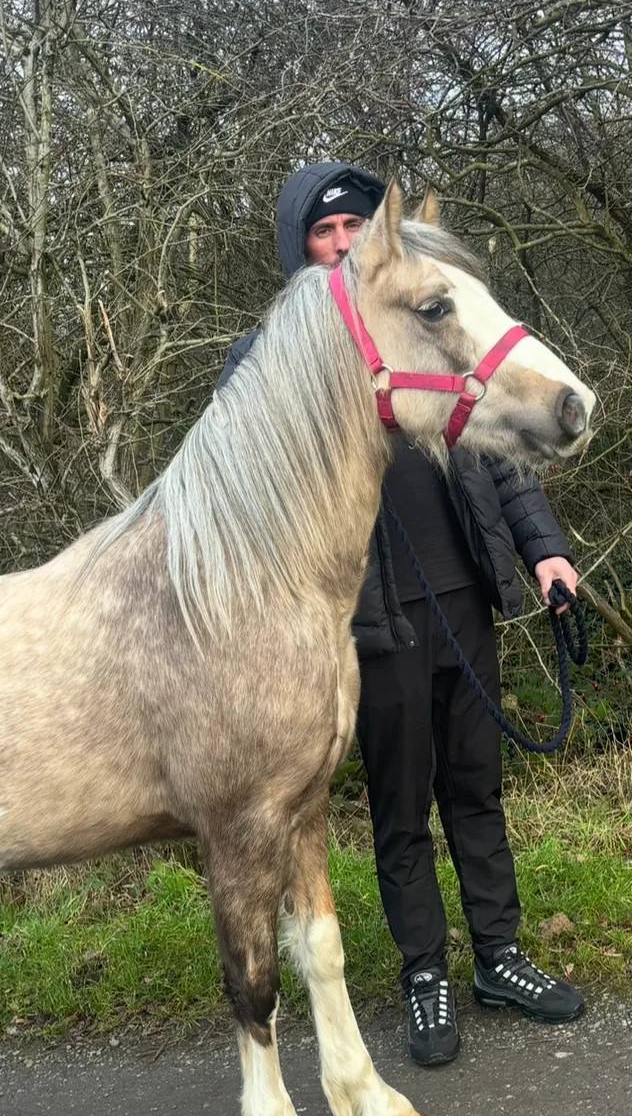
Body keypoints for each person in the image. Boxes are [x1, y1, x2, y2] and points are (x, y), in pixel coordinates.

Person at [217, 162, 586, 1065]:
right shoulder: (267, 365)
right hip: (371, 624)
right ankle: (425, 974)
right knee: (399, 808)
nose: (343, 246)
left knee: (476, 790)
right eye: (323, 233)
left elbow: (496, 449)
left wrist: (542, 548)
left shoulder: (421, 332)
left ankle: (498, 954)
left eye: (355, 230)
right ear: (297, 249)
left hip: (462, 596)